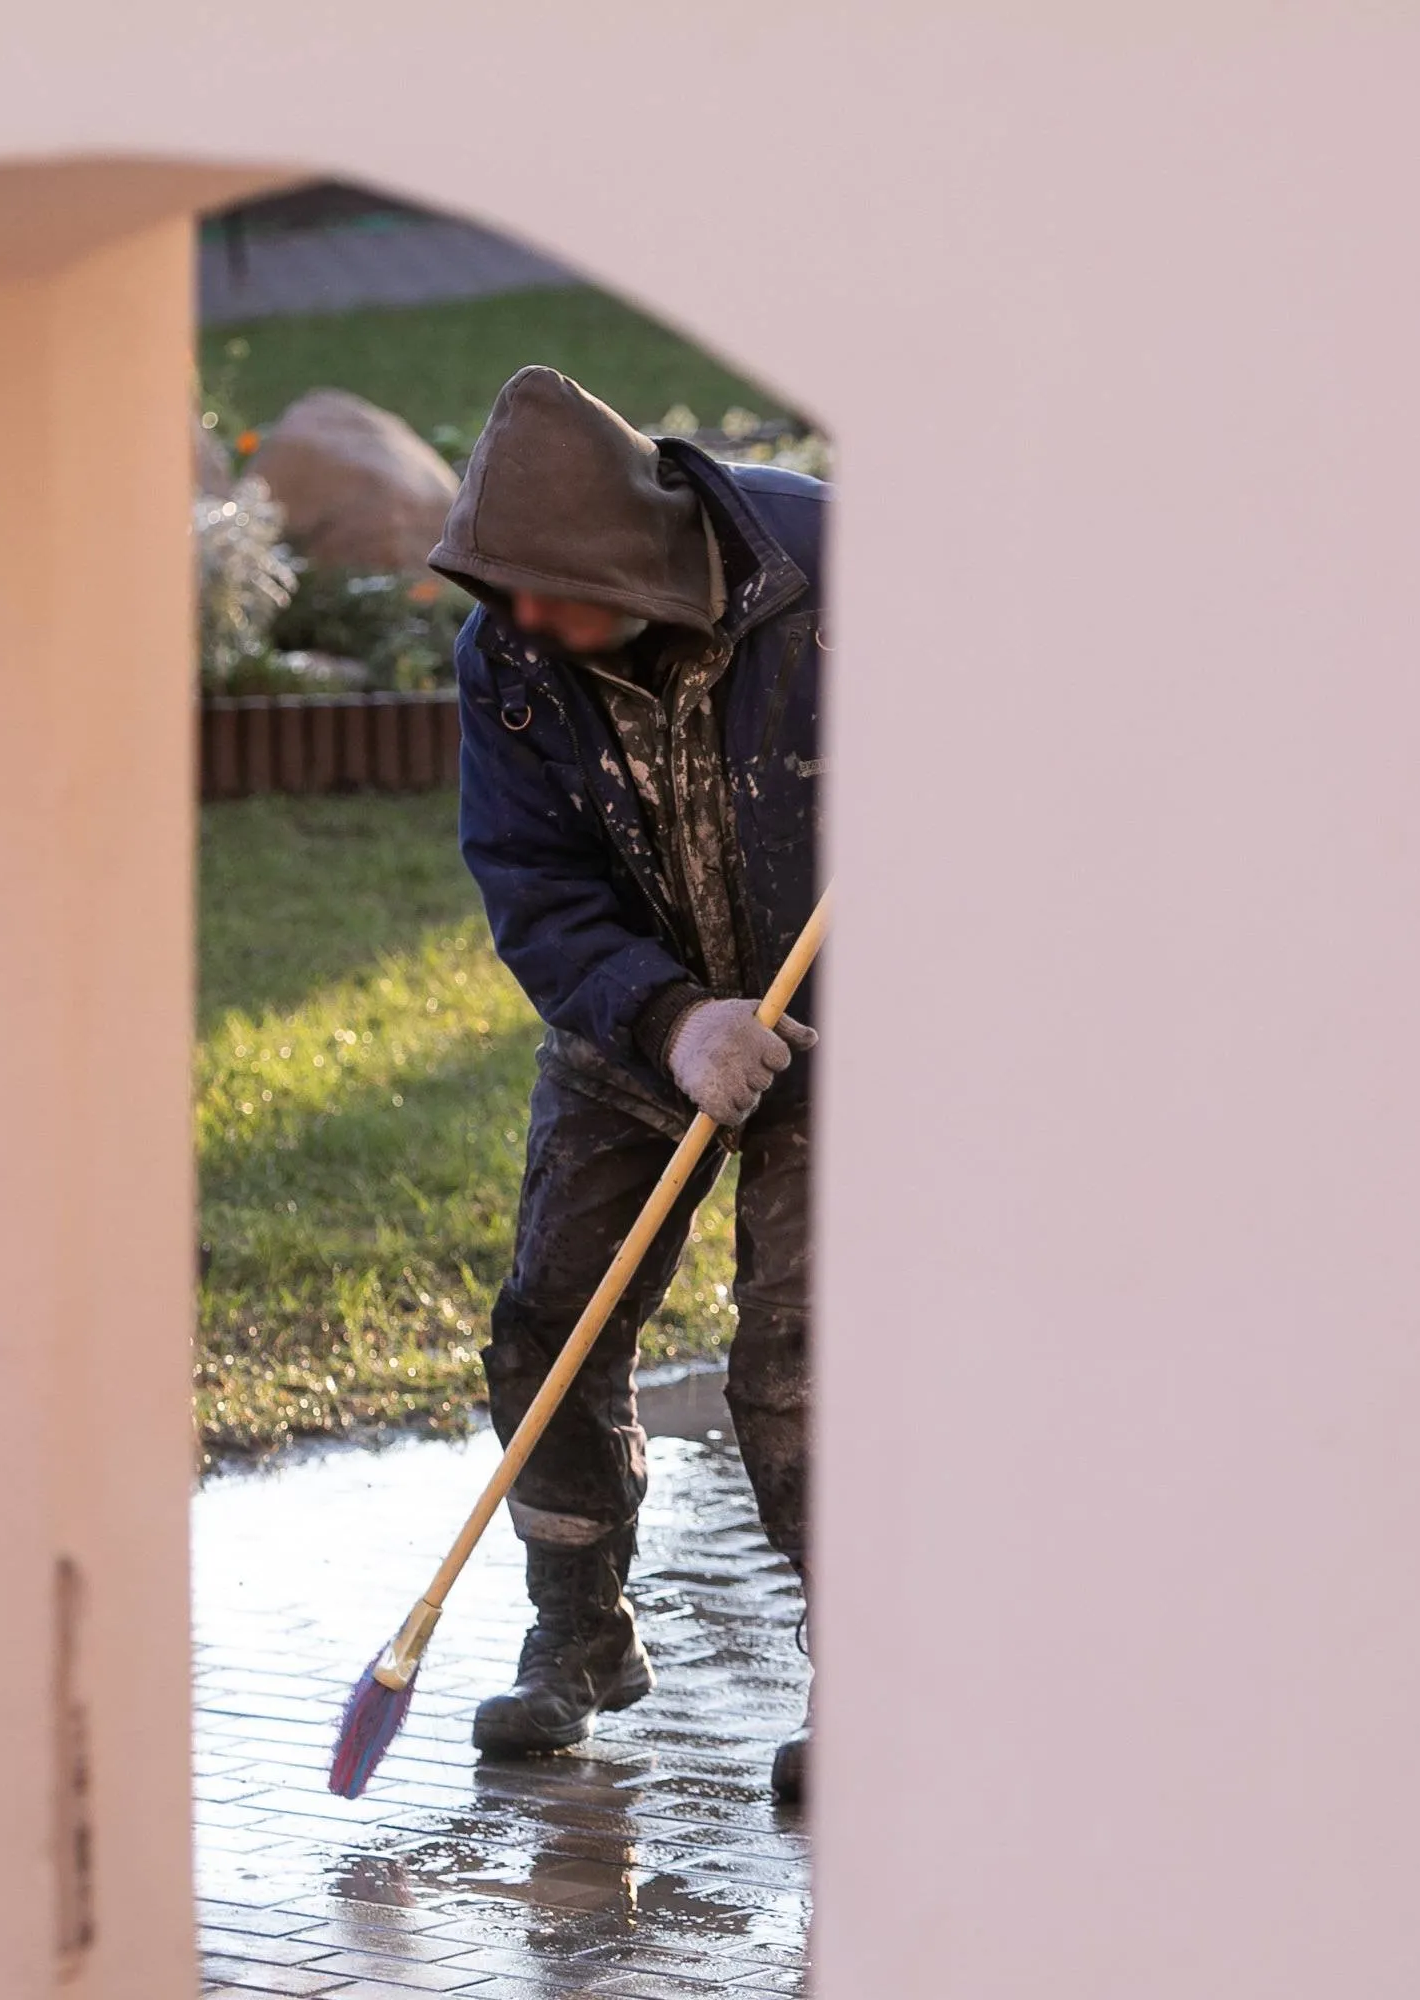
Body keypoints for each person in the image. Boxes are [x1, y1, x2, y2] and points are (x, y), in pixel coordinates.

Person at [425, 366, 827, 1802]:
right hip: (640, 1003)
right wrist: (669, 1023)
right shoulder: (510, 656)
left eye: (546, 589)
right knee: (551, 1318)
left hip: (844, 1021)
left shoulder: (831, 580)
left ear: (638, 558)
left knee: (800, 1362)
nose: (518, 620)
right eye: (502, 593)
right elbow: (533, 883)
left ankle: (877, 1667)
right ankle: (577, 1634)